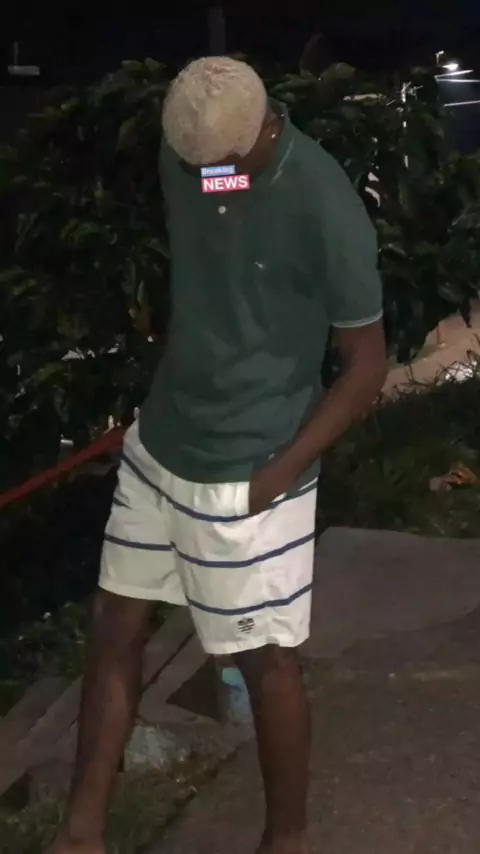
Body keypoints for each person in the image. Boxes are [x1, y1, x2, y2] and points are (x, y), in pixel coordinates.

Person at [50, 57, 387, 854]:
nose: (201, 175)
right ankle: (80, 835)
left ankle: (287, 840)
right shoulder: (196, 158)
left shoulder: (323, 204)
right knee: (113, 624)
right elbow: (218, 233)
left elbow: (367, 365)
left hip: (252, 461)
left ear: (264, 128)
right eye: (190, 160)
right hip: (163, 441)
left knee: (264, 660)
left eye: (217, 162)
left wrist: (280, 473)